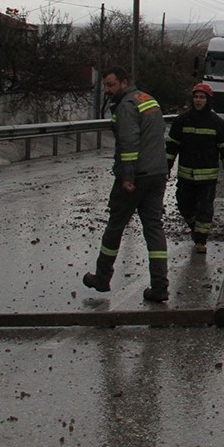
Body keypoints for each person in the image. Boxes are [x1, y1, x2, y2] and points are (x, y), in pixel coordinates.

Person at [83, 67, 170, 303]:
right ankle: (160, 286)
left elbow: (129, 143)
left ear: (124, 83)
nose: (107, 91)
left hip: (137, 176)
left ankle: (102, 277)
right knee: (154, 229)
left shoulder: (126, 106)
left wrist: (128, 177)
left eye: (111, 85)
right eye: (105, 86)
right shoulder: (148, 99)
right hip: (157, 173)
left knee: (115, 226)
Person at [166, 82, 224, 254]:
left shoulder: (217, 123)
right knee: (184, 205)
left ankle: (201, 241)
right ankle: (194, 225)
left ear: (208, 100)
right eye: (196, 97)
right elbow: (171, 147)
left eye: (202, 97)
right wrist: (166, 167)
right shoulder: (182, 121)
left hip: (208, 177)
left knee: (205, 208)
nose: (198, 100)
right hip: (186, 175)